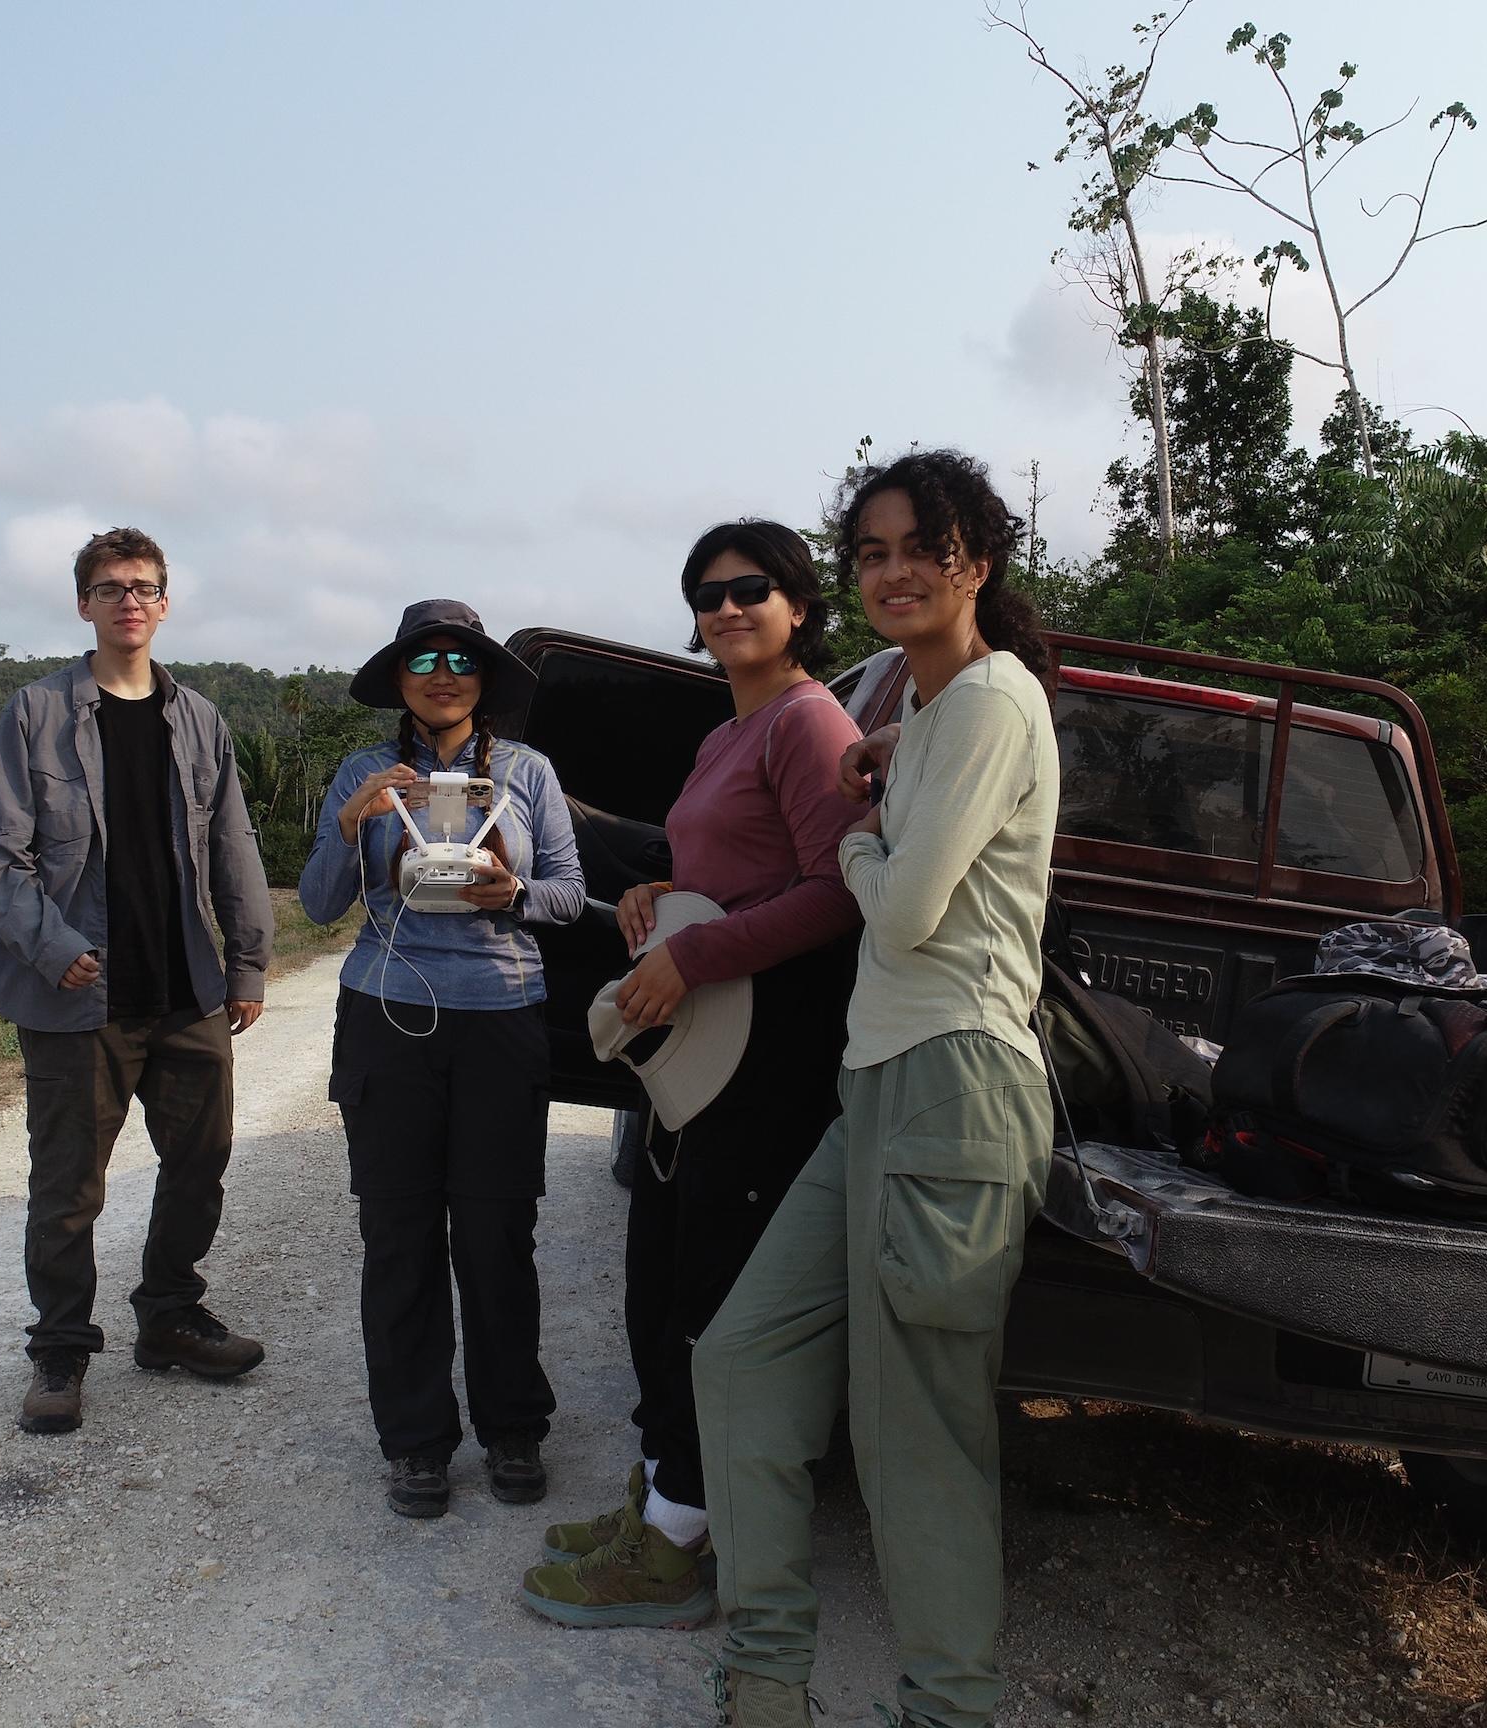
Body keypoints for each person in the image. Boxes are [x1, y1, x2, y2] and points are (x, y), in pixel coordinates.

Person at [693, 452, 1062, 1728]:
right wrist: (891, 759)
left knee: (917, 1441)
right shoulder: (937, 706)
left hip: (954, 1086)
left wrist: (853, 826)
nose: (895, 572)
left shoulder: (992, 702)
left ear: (979, 560)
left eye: (924, 547)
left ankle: (949, 1709)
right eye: (873, 552)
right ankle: (766, 1682)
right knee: (740, 1362)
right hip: (881, 1089)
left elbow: (902, 917)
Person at [517, 520, 862, 1630]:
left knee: (710, 1294)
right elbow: (721, 869)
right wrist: (654, 899)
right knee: (661, 1279)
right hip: (700, 1060)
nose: (726, 609)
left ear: (798, 605)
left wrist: (694, 951)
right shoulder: (730, 734)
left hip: (766, 1058)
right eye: (707, 595)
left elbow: (838, 893)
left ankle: (677, 1548)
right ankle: (663, 1499)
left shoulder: (808, 723)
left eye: (750, 589)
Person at [0, 526, 276, 1438]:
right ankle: (60, 1349)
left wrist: (248, 960)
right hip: (77, 998)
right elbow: (1, 853)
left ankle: (170, 1315)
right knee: (69, 1186)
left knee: (202, 1164)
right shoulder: (36, 714)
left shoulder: (201, 721)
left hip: (185, 988)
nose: (128, 601)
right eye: (110, 588)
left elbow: (234, 846)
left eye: (143, 586)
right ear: (85, 605)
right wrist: (50, 944)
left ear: (165, 603)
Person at [299, 599, 585, 1518]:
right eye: (422, 660)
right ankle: (417, 1442)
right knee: (400, 1236)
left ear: (485, 680)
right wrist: (353, 820)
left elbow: (572, 896)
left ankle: (512, 1426)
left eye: (461, 659)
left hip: (503, 1018)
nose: (443, 673)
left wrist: (514, 892)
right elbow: (313, 906)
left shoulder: (530, 774)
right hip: (388, 1014)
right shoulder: (365, 773)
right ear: (399, 680)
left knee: (498, 1235)